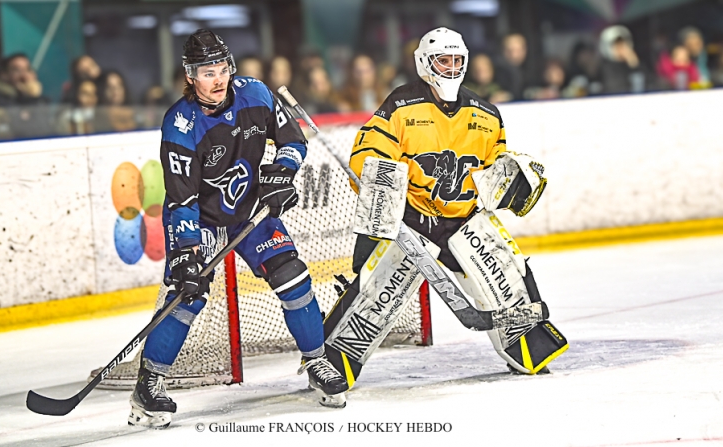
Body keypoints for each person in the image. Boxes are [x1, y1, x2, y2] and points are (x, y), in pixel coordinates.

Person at [128, 29, 347, 429]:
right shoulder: (179, 125)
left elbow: (293, 139)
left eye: (222, 68)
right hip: (204, 221)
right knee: (187, 297)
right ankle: (149, 383)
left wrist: (281, 174)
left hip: (250, 214)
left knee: (293, 278)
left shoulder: (257, 93)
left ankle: (317, 361)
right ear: (190, 75)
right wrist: (187, 255)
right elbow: (180, 200)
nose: (217, 79)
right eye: (206, 72)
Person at [347, 27, 567, 384]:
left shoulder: (487, 115)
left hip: (463, 219)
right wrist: (382, 193)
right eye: (442, 60)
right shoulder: (401, 106)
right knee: (376, 291)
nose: (450, 68)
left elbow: (495, 164)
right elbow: (369, 151)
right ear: (424, 63)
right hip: (413, 219)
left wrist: (512, 176)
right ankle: (338, 358)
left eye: (456, 61)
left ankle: (526, 344)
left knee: (510, 274)